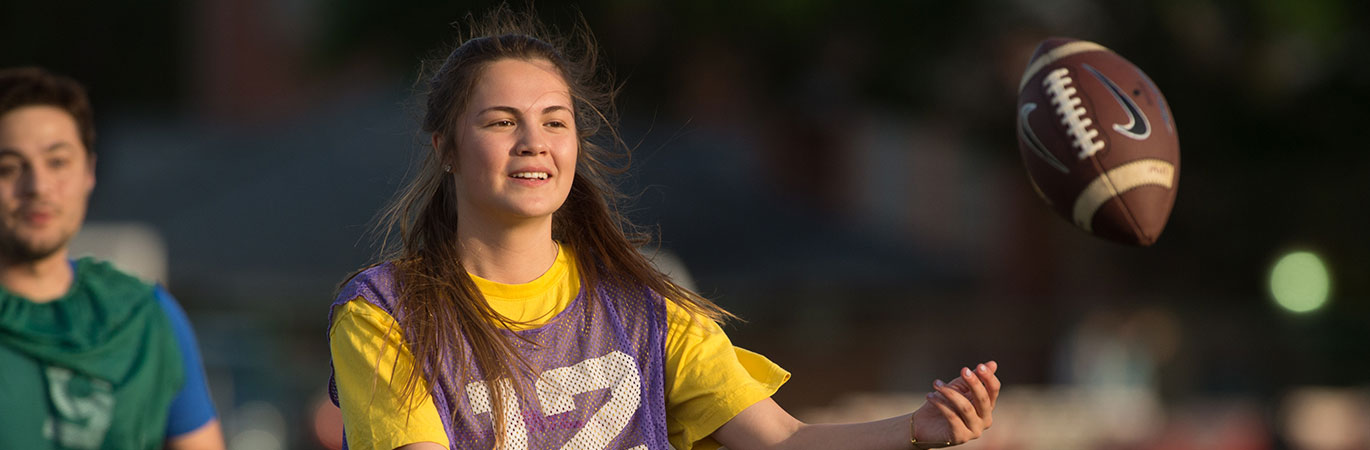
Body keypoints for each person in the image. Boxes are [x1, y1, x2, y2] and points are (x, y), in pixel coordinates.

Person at [327, 8, 999, 450]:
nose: (535, 141)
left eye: (555, 121)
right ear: (446, 146)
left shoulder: (644, 307)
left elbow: (783, 440)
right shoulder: (387, 314)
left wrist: (916, 428)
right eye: (502, 121)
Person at [0, 67, 224, 450]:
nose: (37, 186)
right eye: (8, 167)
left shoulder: (144, 318)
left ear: (89, 171)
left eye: (57, 162)